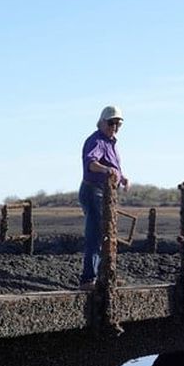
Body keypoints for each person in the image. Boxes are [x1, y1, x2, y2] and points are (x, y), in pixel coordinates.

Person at [77, 105, 128, 289]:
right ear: (102, 122)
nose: (114, 127)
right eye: (111, 123)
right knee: (96, 235)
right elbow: (91, 164)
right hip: (93, 191)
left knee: (105, 233)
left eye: (118, 124)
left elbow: (113, 167)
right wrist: (106, 170)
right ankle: (88, 279)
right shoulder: (97, 141)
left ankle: (105, 276)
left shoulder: (110, 142)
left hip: (104, 193)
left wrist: (122, 178)